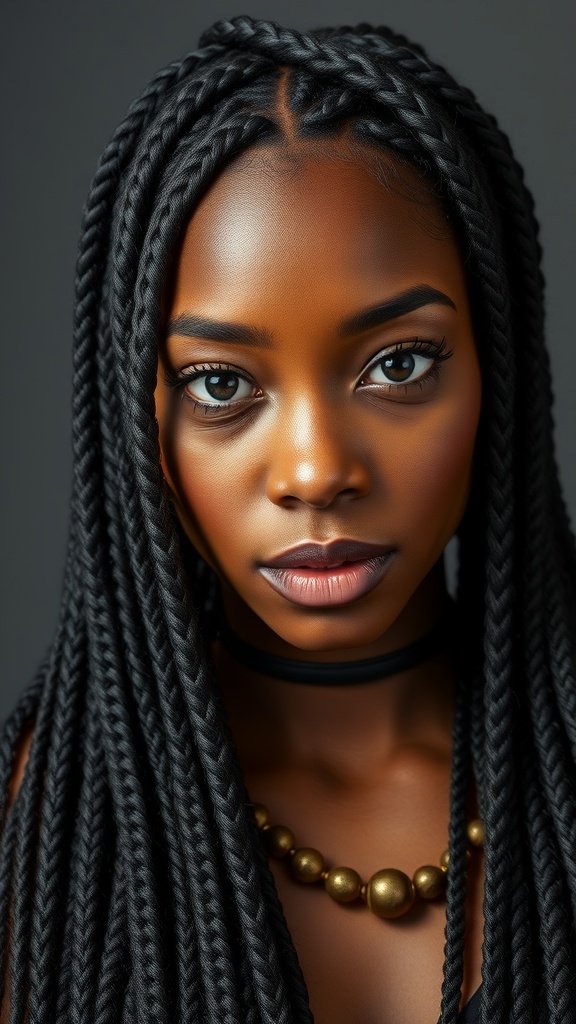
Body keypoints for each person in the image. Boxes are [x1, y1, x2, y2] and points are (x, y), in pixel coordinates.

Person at [0, 14, 575, 1024]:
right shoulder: (53, 820)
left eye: (398, 364)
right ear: (141, 414)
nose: (316, 471)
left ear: (500, 370)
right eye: (223, 383)